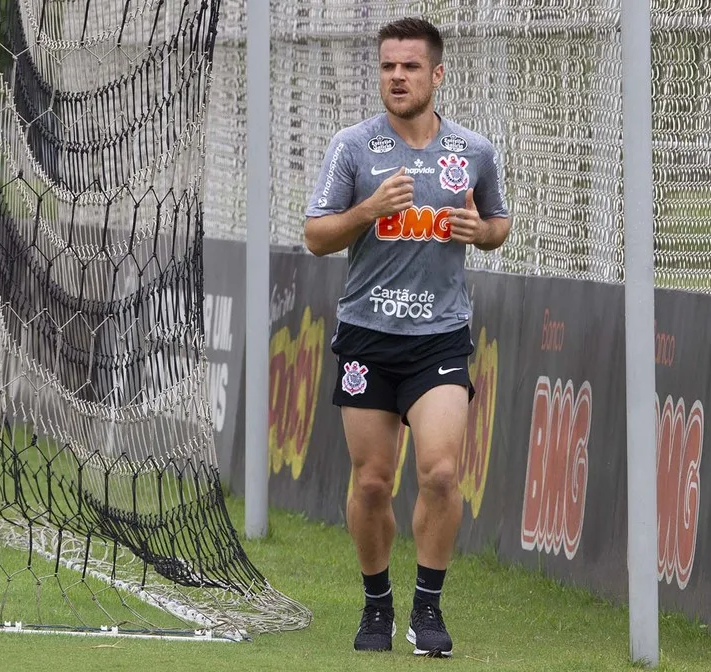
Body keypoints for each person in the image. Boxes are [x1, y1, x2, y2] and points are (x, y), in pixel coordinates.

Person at [302, 16, 511, 657]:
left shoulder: (473, 152)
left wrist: (483, 233)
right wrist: (367, 212)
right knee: (371, 482)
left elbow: (498, 222)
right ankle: (375, 607)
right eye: (388, 66)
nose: (397, 77)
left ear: (436, 74)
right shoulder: (354, 148)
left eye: (410, 67)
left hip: (439, 338)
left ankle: (428, 607)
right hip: (368, 335)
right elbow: (315, 236)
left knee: (442, 473)